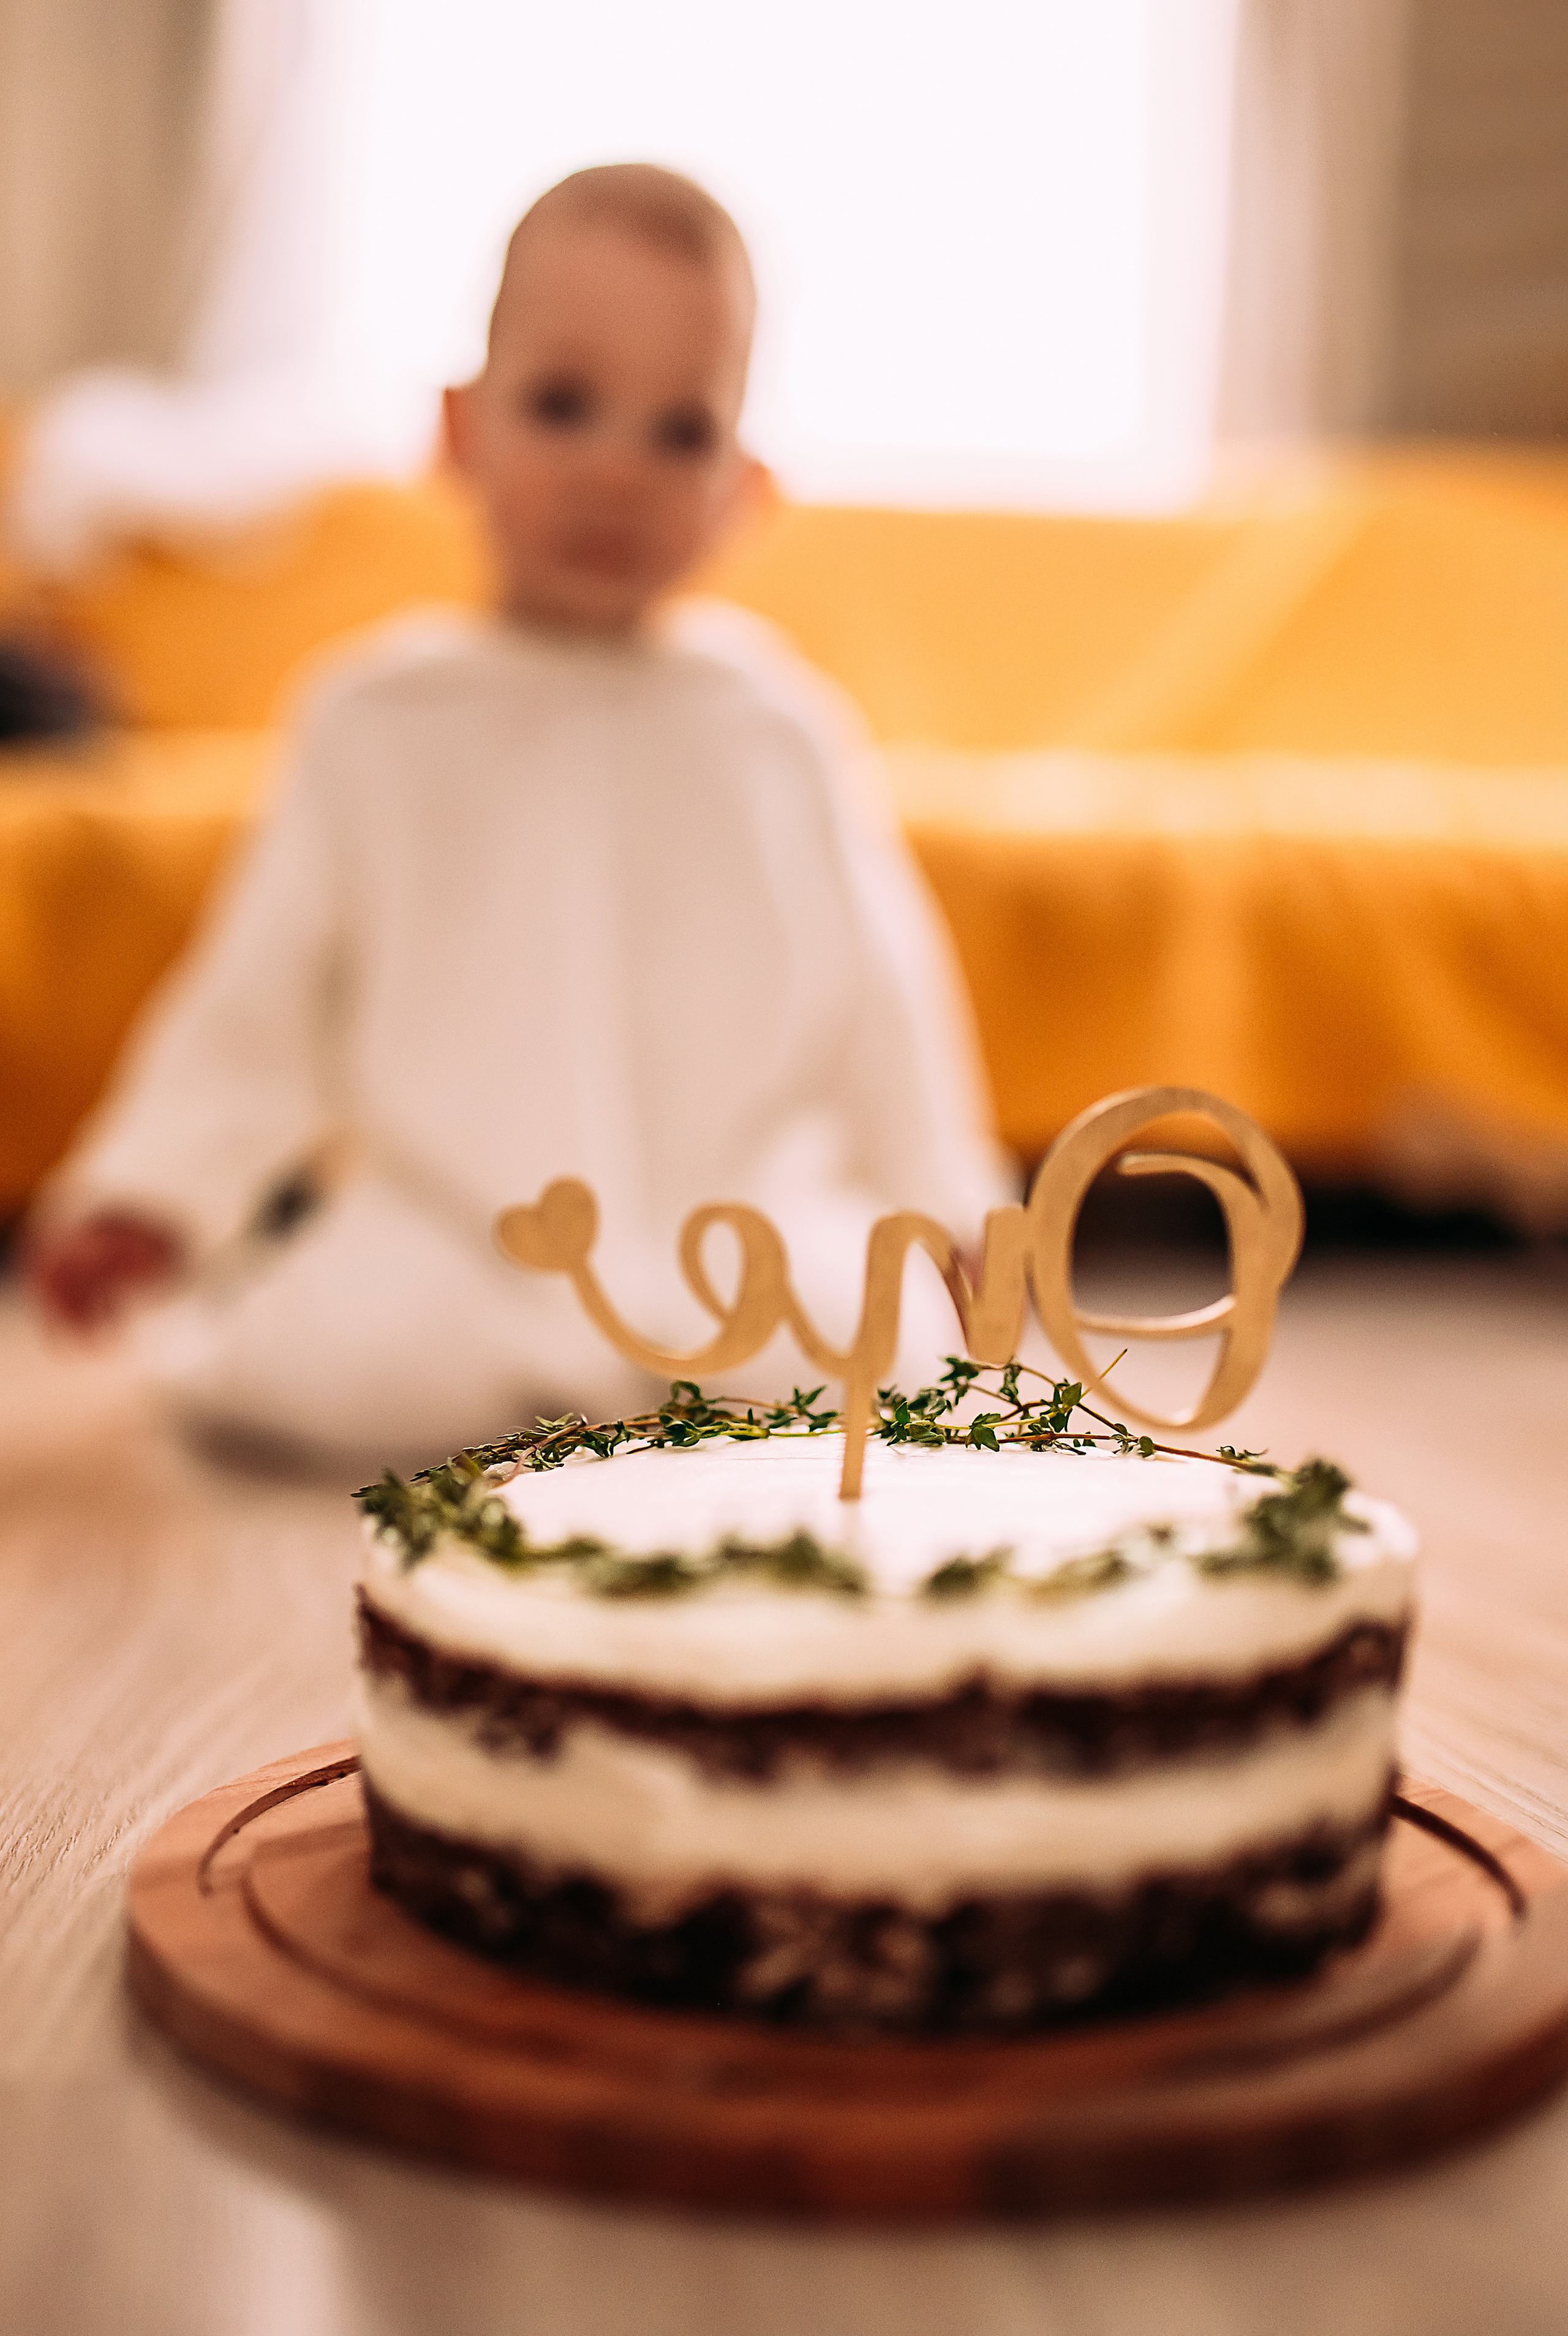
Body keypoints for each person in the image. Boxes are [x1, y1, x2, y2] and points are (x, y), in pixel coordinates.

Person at [24, 164, 1006, 1469]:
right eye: (562, 406)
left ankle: (684, 1385)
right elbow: (255, 999)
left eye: (678, 432)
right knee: (325, 1348)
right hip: (460, 1237)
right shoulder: (371, 717)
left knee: (885, 1340)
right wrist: (153, 1193)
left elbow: (887, 1005)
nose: (615, 468)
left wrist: (946, 1206)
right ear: (459, 431)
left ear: (743, 490)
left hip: (734, 1240)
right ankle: (572, 1386)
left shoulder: (779, 729)